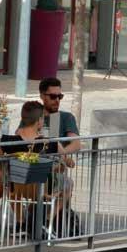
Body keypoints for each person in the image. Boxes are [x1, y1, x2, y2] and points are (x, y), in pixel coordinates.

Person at [37, 76, 80, 221]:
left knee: (65, 183)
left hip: (53, 172)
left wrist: (62, 156)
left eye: (59, 96)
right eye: (53, 96)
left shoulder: (65, 117)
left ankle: (48, 220)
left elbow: (76, 144)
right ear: (42, 96)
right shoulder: (34, 116)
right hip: (34, 170)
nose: (57, 100)